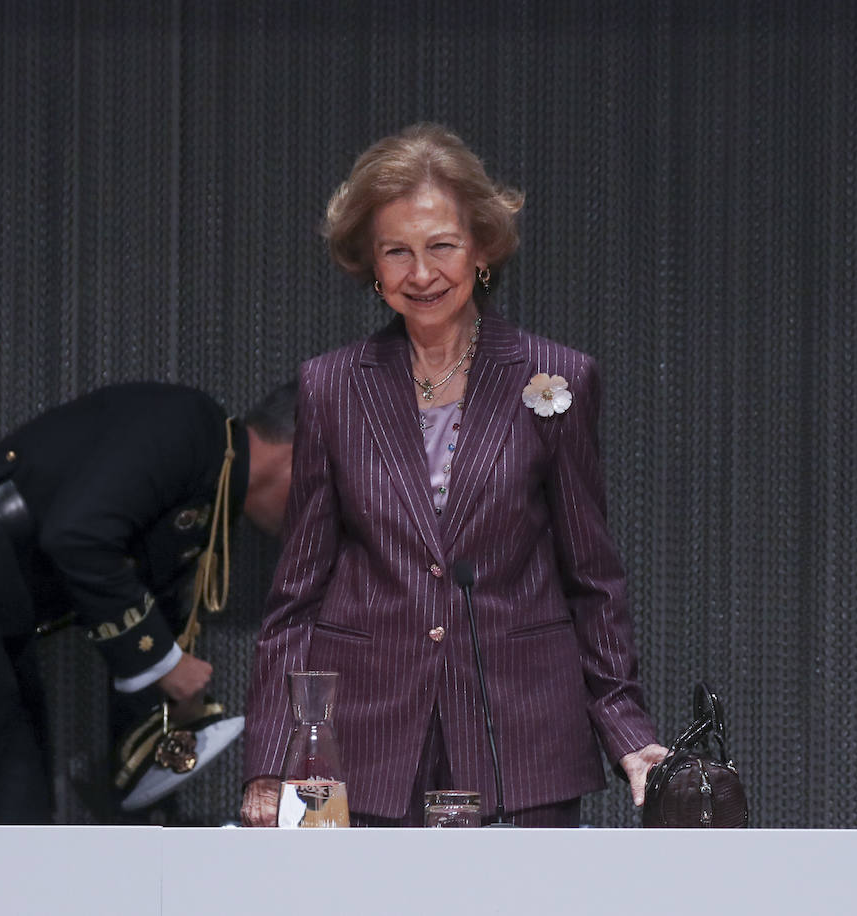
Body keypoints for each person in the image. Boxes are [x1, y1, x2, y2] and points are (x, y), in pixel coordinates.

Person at [240, 124, 666, 828]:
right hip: (361, 744)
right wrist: (270, 760)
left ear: (483, 248)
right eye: (396, 252)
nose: (422, 273)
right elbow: (295, 596)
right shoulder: (330, 387)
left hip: (519, 736)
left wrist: (626, 729)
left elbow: (591, 578)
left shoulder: (555, 379)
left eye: (441, 246)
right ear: (371, 266)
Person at [0, 381, 295, 823]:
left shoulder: (212, 490)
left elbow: (138, 591)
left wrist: (165, 692)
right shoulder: (192, 428)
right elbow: (77, 536)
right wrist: (165, 665)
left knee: (19, 808)